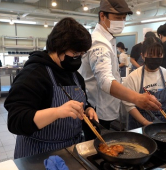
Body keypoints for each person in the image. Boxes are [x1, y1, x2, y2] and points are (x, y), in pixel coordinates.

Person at [4, 17, 98, 159]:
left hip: (71, 150)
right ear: (57, 47)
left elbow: (80, 103)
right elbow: (15, 121)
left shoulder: (74, 76)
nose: (78, 58)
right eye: (75, 53)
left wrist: (88, 109)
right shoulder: (33, 74)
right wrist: (57, 112)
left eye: (81, 54)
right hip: (38, 154)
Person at [79, 0, 161, 130]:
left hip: (104, 107)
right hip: (97, 110)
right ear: (102, 16)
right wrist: (137, 98)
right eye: (117, 18)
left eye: (123, 18)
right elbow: (105, 81)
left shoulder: (107, 39)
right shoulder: (99, 43)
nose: (121, 22)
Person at [122, 37, 166, 130]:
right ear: (143, 55)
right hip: (138, 126)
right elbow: (129, 105)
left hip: (161, 125)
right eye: (151, 56)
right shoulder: (134, 76)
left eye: (158, 55)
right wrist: (145, 122)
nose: (155, 59)